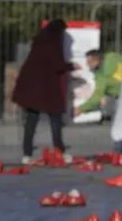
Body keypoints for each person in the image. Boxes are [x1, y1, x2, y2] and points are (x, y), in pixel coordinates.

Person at [12, 19, 78, 165]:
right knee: (55, 121)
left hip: (32, 88)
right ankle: (59, 151)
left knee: (31, 120)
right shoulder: (54, 44)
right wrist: (71, 65)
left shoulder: (39, 42)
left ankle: (26, 154)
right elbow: (57, 65)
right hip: (47, 91)